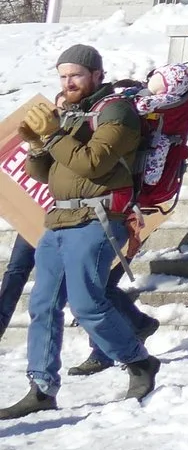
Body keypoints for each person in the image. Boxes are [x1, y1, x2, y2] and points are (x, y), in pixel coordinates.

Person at [0, 47, 158, 418]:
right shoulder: (69, 115)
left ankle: (139, 362)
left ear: (97, 75)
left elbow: (93, 162)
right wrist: (37, 147)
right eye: (63, 76)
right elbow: (48, 175)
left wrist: (54, 136)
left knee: (86, 303)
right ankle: (41, 388)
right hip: (58, 221)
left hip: (97, 220)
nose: (68, 83)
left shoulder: (116, 112)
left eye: (76, 75)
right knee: (42, 306)